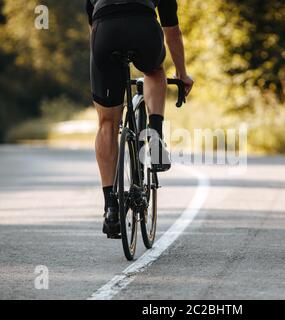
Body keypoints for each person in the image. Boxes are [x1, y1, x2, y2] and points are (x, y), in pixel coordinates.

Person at [86, 0, 194, 238]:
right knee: (155, 72)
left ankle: (111, 207)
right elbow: (172, 30)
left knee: (106, 124)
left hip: (105, 32)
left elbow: (93, 25)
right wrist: (182, 73)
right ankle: (154, 135)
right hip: (143, 28)